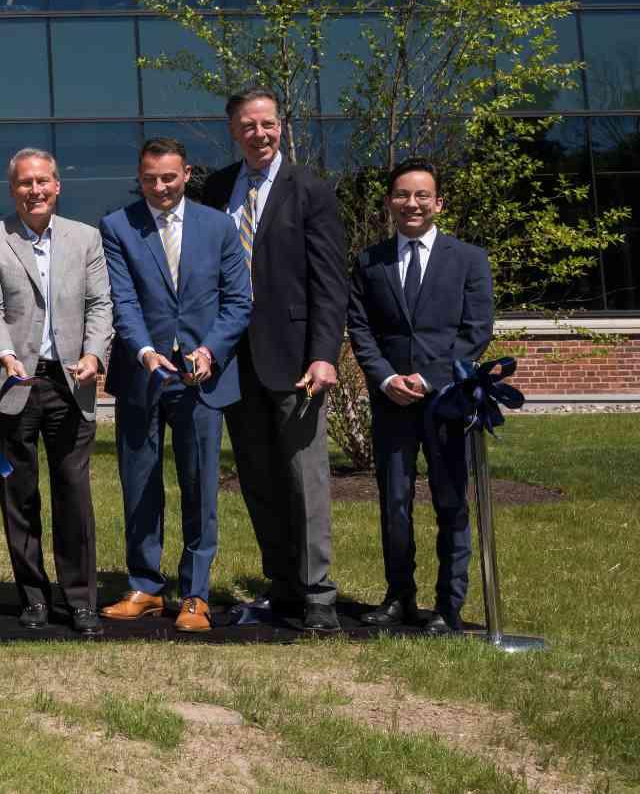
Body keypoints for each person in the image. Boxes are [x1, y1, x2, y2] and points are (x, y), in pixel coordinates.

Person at [198, 89, 347, 632]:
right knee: (259, 478)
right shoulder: (216, 189)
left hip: (295, 361)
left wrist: (324, 355)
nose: (259, 134)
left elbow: (330, 283)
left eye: (267, 124)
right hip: (235, 362)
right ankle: (282, 584)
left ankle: (318, 594)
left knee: (305, 478)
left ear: (281, 127)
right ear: (233, 131)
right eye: (247, 126)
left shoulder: (309, 188)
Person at [100, 137, 250, 633]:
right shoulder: (118, 226)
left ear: (185, 173)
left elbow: (237, 303)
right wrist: (144, 352)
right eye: (150, 179)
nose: (160, 187)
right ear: (139, 177)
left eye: (169, 177)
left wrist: (210, 351)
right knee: (139, 485)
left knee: (200, 486)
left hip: (202, 380)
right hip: (142, 377)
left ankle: (195, 594)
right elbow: (122, 301)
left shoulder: (219, 225)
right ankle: (145, 586)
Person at [347, 159, 494, 635]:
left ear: (438, 203)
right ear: (389, 201)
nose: (412, 203)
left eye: (422, 196)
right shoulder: (371, 262)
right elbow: (361, 328)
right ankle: (399, 598)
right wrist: (387, 378)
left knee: (451, 502)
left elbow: (475, 331)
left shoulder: (468, 259)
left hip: (447, 401)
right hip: (392, 403)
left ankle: (448, 606)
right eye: (402, 195)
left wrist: (430, 380)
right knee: (394, 502)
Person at [0, 149, 113, 637]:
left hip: (71, 382)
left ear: (58, 185)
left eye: (43, 182)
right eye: (25, 183)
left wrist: (95, 355)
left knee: (74, 495)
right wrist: (6, 355)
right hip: (13, 384)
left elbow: (100, 304)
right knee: (19, 495)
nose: (35, 190)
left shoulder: (86, 238)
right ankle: (32, 596)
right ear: (13, 190)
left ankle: (80, 600)